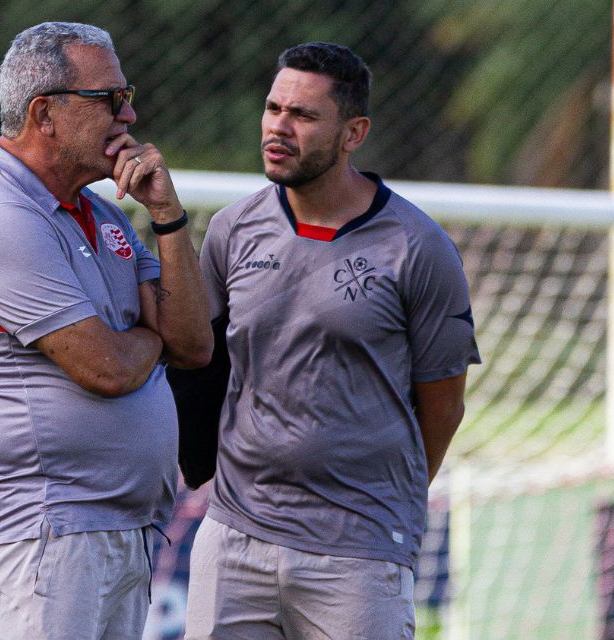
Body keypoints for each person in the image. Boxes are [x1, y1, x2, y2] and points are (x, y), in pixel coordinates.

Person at [183, 42, 481, 639]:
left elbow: (443, 404)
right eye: (273, 109)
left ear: (353, 133)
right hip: (235, 536)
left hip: (358, 550)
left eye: (304, 116)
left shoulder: (418, 248)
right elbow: (199, 362)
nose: (279, 127)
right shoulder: (230, 230)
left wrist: (378, 506)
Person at [0, 22, 212, 640]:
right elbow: (108, 370)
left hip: (119, 532)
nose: (130, 113)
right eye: (109, 98)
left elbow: (193, 345)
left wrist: (167, 218)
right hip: (45, 538)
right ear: (46, 115)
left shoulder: (105, 214)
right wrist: (150, 338)